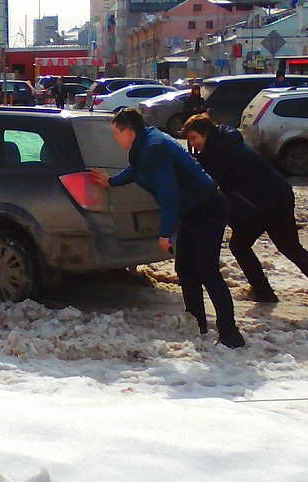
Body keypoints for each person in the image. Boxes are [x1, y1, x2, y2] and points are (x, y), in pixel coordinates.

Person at [89, 109, 245, 348]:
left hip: (208, 208)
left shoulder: (154, 148)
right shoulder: (146, 143)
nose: (115, 138)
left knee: (207, 270)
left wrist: (165, 233)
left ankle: (230, 334)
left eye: (115, 133)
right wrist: (111, 181)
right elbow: (137, 169)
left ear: (128, 132)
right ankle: (197, 325)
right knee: (185, 268)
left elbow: (168, 194)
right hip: (195, 209)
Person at [182, 114, 308, 313]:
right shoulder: (221, 142)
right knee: (240, 245)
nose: (193, 143)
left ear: (206, 133)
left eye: (194, 137)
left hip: (274, 202)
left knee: (290, 249)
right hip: (257, 206)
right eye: (189, 140)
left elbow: (208, 178)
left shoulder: (220, 150)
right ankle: (263, 291)